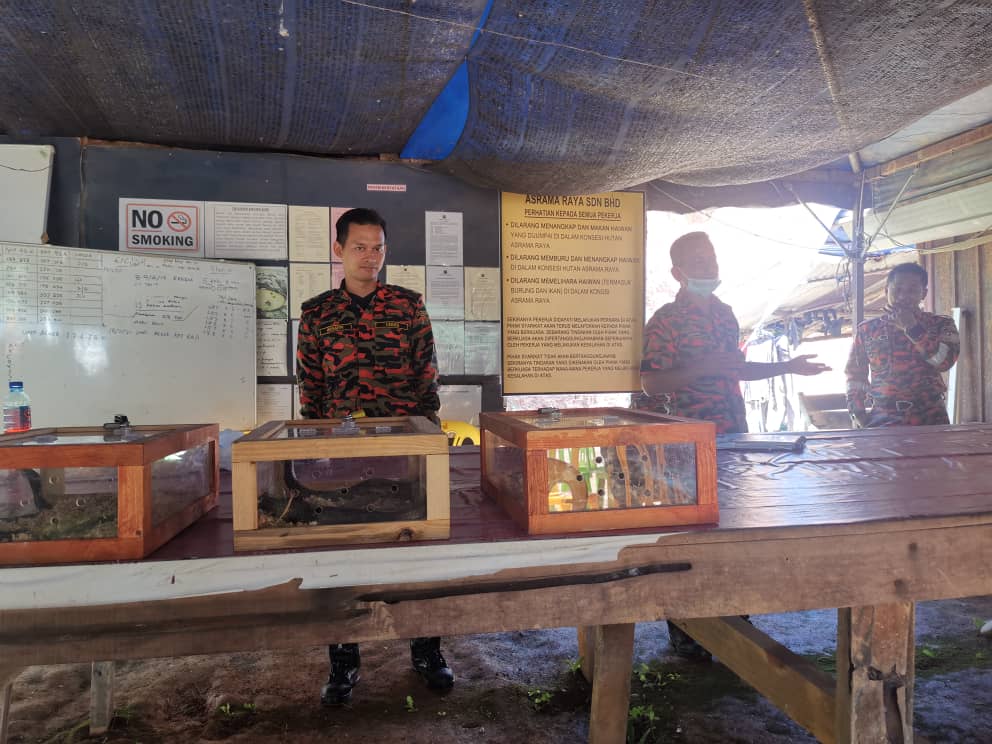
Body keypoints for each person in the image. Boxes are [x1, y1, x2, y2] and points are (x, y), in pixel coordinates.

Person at [635, 231, 830, 657]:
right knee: (690, 535)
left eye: (711, 259)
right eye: (698, 261)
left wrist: (788, 366)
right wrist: (705, 366)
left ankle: (734, 615)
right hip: (687, 442)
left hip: (734, 435)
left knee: (735, 526)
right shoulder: (665, 321)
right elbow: (651, 382)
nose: (708, 267)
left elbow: (735, 370)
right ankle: (687, 626)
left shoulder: (724, 314)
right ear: (677, 273)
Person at [296, 208, 454, 705]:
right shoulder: (317, 313)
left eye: (378, 248)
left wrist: (428, 442)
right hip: (342, 455)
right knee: (341, 553)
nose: (371, 257)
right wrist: (316, 450)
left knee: (417, 550)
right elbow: (311, 388)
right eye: (360, 247)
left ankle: (427, 650)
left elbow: (427, 375)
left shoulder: (407, 306)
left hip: (402, 451)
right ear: (339, 250)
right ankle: (344, 661)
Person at [845, 263, 960, 428]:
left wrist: (912, 328)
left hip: (930, 415)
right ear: (886, 291)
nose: (903, 296)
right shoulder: (868, 329)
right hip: (884, 417)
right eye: (897, 289)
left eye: (912, 290)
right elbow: (855, 374)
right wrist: (857, 412)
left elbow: (943, 362)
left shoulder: (941, 324)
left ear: (923, 293)